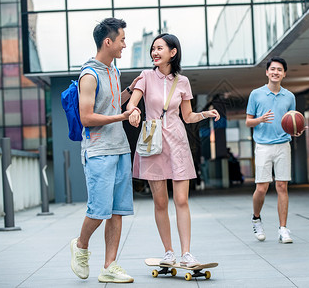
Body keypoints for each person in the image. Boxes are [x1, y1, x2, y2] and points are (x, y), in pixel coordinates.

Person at [126, 33, 220, 267]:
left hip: (177, 143)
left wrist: (204, 114)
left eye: (159, 48)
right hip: (153, 143)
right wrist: (135, 111)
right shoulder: (146, 77)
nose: (154, 53)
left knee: (181, 200)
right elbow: (131, 103)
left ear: (173, 52)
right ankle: (168, 252)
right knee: (160, 202)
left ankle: (186, 253)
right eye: (153, 49)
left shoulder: (183, 82)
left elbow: (187, 116)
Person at [70, 17, 141, 283]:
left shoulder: (114, 71)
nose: (125, 44)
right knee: (98, 210)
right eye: (122, 39)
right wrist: (121, 117)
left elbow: (111, 104)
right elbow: (87, 117)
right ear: (108, 42)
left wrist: (132, 93)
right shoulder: (89, 75)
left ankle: (109, 265)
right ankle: (81, 245)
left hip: (120, 148)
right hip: (98, 151)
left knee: (117, 211)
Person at [246, 56, 304, 244]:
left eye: (279, 69)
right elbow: (248, 121)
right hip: (263, 145)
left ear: (284, 73)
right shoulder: (256, 94)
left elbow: (292, 121)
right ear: (267, 72)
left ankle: (283, 229)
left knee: (282, 186)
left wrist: (297, 130)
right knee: (261, 188)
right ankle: (256, 218)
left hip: (283, 145)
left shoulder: (289, 96)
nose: (275, 72)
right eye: (272, 69)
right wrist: (260, 120)